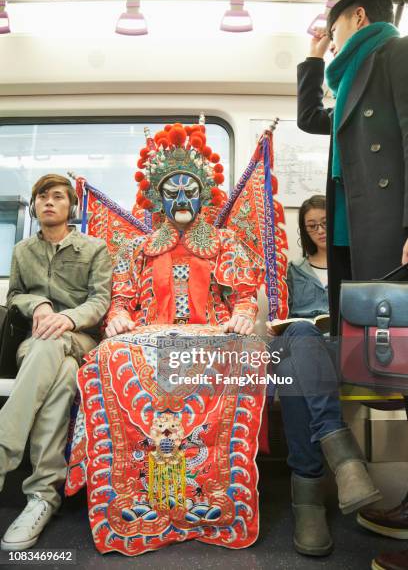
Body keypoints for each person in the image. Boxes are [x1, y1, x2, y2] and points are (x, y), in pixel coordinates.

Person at [64, 120, 266, 556]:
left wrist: (244, 315)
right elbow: (120, 300)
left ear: (202, 193)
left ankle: (213, 492)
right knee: (106, 356)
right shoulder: (137, 248)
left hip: (211, 335)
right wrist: (117, 316)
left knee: (247, 354)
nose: (180, 197)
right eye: (171, 189)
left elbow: (245, 297)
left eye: (188, 188)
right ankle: (135, 497)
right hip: (147, 338)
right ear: (157, 194)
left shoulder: (224, 243)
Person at [297, 0, 408, 570]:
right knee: (392, 378)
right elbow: (311, 118)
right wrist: (314, 58)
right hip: (357, 244)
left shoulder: (396, 53)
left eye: (332, 28)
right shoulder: (347, 81)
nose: (331, 36)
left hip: (392, 238)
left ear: (357, 17)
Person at [0, 174, 112, 551]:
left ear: (71, 208)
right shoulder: (22, 252)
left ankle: (3, 454)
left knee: (56, 349)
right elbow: (15, 296)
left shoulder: (95, 248)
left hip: (78, 337)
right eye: (42, 197)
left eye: (58, 197)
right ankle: (43, 496)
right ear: (34, 206)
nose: (49, 202)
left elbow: (100, 302)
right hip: (36, 344)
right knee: (62, 374)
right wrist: (40, 305)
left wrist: (67, 318)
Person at [267, 194, 380, 557]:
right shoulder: (293, 270)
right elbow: (282, 316)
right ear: (303, 230)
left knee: (294, 366)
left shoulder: (351, 265)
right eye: (310, 225)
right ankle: (344, 459)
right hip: (305, 347)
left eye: (323, 224)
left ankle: (309, 498)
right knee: (297, 343)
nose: (317, 230)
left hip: (344, 347)